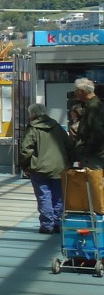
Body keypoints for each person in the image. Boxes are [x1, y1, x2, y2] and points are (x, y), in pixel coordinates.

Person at [19, 102, 73, 233]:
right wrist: (69, 163)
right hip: (60, 168)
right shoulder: (57, 127)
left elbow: (26, 150)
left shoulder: (33, 128)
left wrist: (25, 166)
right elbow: (69, 146)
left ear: (32, 115)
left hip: (39, 169)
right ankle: (58, 223)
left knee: (44, 195)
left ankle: (47, 225)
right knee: (58, 195)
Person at [71, 78, 104, 214]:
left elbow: (96, 132)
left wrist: (85, 149)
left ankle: (99, 211)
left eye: (77, 90)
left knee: (95, 183)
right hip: (96, 152)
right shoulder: (94, 105)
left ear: (83, 91)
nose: (75, 93)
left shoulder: (94, 107)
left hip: (94, 154)